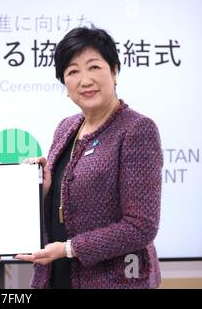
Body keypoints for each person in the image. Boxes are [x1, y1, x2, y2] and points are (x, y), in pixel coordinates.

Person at [16, 26, 163, 288]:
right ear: (64, 83)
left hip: (114, 280)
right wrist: (43, 189)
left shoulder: (137, 129)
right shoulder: (66, 127)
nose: (85, 80)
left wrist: (69, 249)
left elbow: (141, 226)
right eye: (73, 71)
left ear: (115, 71)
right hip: (56, 276)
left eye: (94, 67)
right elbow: (64, 208)